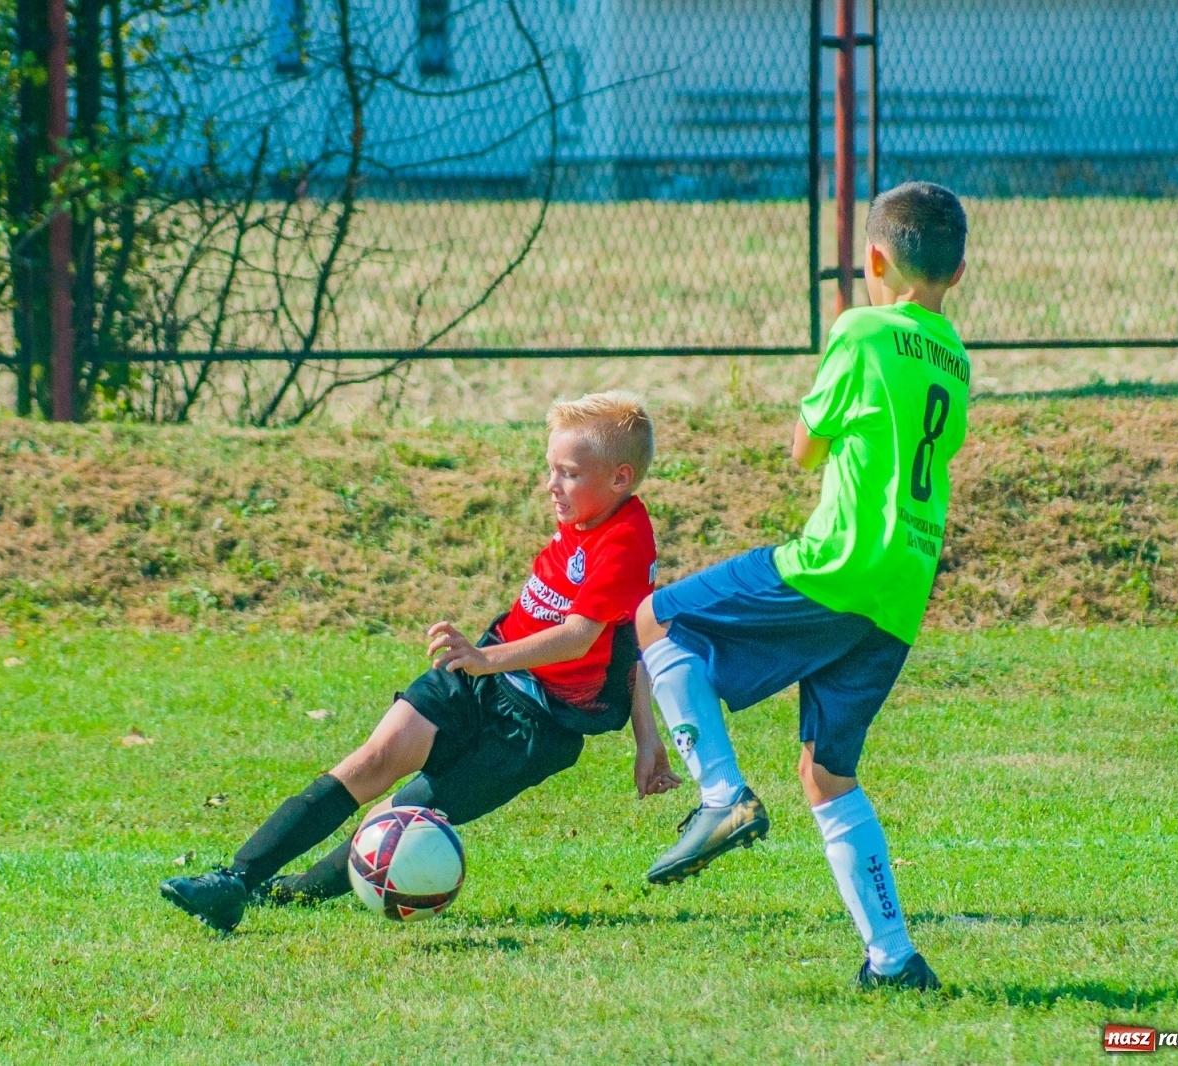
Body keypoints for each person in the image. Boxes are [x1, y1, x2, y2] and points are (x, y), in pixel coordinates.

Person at [162, 391, 681, 932]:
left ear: (620, 478)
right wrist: (484, 664)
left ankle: (292, 896)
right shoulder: (588, 511)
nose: (552, 485)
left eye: (569, 473)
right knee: (375, 758)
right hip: (480, 678)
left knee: (398, 820)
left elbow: (585, 638)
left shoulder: (626, 540)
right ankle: (234, 882)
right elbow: (629, 635)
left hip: (536, 729)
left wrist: (645, 736)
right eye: (550, 469)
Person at [635, 181, 971, 991]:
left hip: (837, 564)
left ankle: (721, 794)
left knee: (657, 619)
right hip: (901, 591)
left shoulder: (860, 330)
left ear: (874, 259)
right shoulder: (956, 357)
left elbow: (803, 448)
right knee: (826, 772)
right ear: (957, 276)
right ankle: (893, 961)